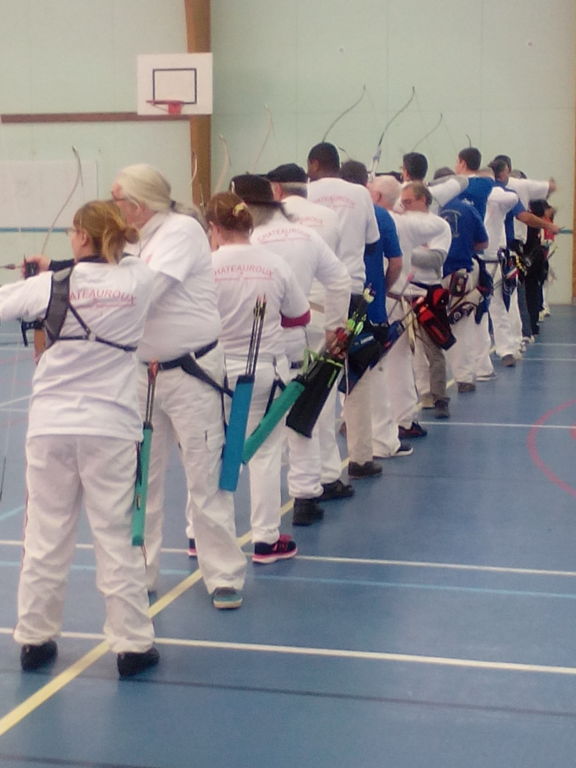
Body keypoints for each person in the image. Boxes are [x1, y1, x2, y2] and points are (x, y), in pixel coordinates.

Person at [0, 200, 159, 678]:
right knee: (117, 537)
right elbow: (126, 262)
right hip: (110, 427)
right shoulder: (138, 279)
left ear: (84, 237)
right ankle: (132, 645)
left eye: (73, 232)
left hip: (52, 425)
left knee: (44, 534)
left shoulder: (50, 286)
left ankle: (34, 638)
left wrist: (48, 273)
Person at [111, 164, 247, 610]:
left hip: (191, 372)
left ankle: (223, 575)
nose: (113, 206)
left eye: (117, 199)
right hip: (142, 374)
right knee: (140, 478)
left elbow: (147, 290)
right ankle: (140, 571)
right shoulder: (130, 238)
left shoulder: (181, 231)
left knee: (205, 477)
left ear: (138, 204)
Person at [231, 173, 350, 524]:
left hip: (251, 344)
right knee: (303, 414)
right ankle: (305, 496)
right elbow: (340, 279)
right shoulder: (306, 236)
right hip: (302, 332)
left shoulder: (246, 242)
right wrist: (335, 328)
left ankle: (226, 496)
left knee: (244, 423)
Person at [205, 191, 311, 551]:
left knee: (208, 453)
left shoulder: (206, 266)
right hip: (264, 370)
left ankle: (198, 536)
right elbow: (300, 314)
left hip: (214, 372)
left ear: (215, 227)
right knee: (264, 454)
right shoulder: (274, 264)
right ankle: (265, 538)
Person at [307, 142, 382, 478]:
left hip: (314, 295)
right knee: (356, 375)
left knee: (314, 378)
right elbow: (371, 243)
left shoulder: (305, 193)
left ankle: (318, 471)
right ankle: (360, 458)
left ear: (314, 164)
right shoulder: (360, 193)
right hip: (351, 292)